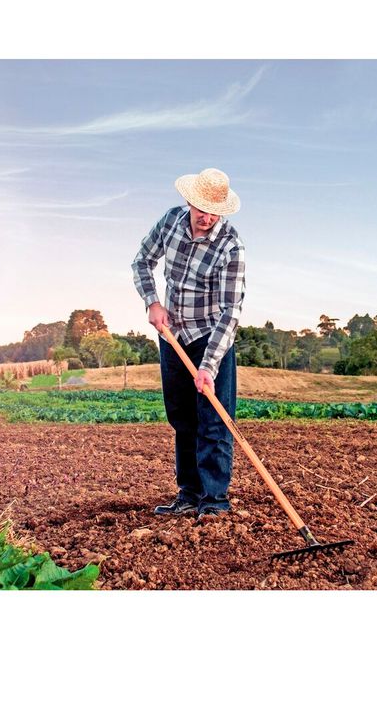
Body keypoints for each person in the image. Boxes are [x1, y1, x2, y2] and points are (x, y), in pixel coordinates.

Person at [132, 167, 245, 522]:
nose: (207, 217)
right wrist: (152, 302)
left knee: (214, 420)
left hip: (212, 338)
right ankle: (189, 494)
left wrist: (209, 365)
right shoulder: (170, 222)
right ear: (189, 201)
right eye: (202, 208)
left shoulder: (231, 247)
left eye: (215, 211)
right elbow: (142, 261)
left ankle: (214, 502)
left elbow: (231, 312)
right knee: (182, 418)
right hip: (173, 335)